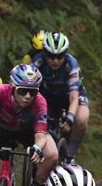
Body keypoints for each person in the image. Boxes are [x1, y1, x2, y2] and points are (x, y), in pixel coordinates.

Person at [28, 31, 90, 161]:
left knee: (81, 119)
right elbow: (30, 89)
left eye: (60, 56)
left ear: (65, 54)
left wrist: (71, 116)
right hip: (49, 95)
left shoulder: (71, 63)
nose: (55, 60)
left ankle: (69, 156)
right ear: (44, 53)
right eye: (51, 56)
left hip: (70, 96)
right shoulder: (37, 62)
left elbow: (74, 98)